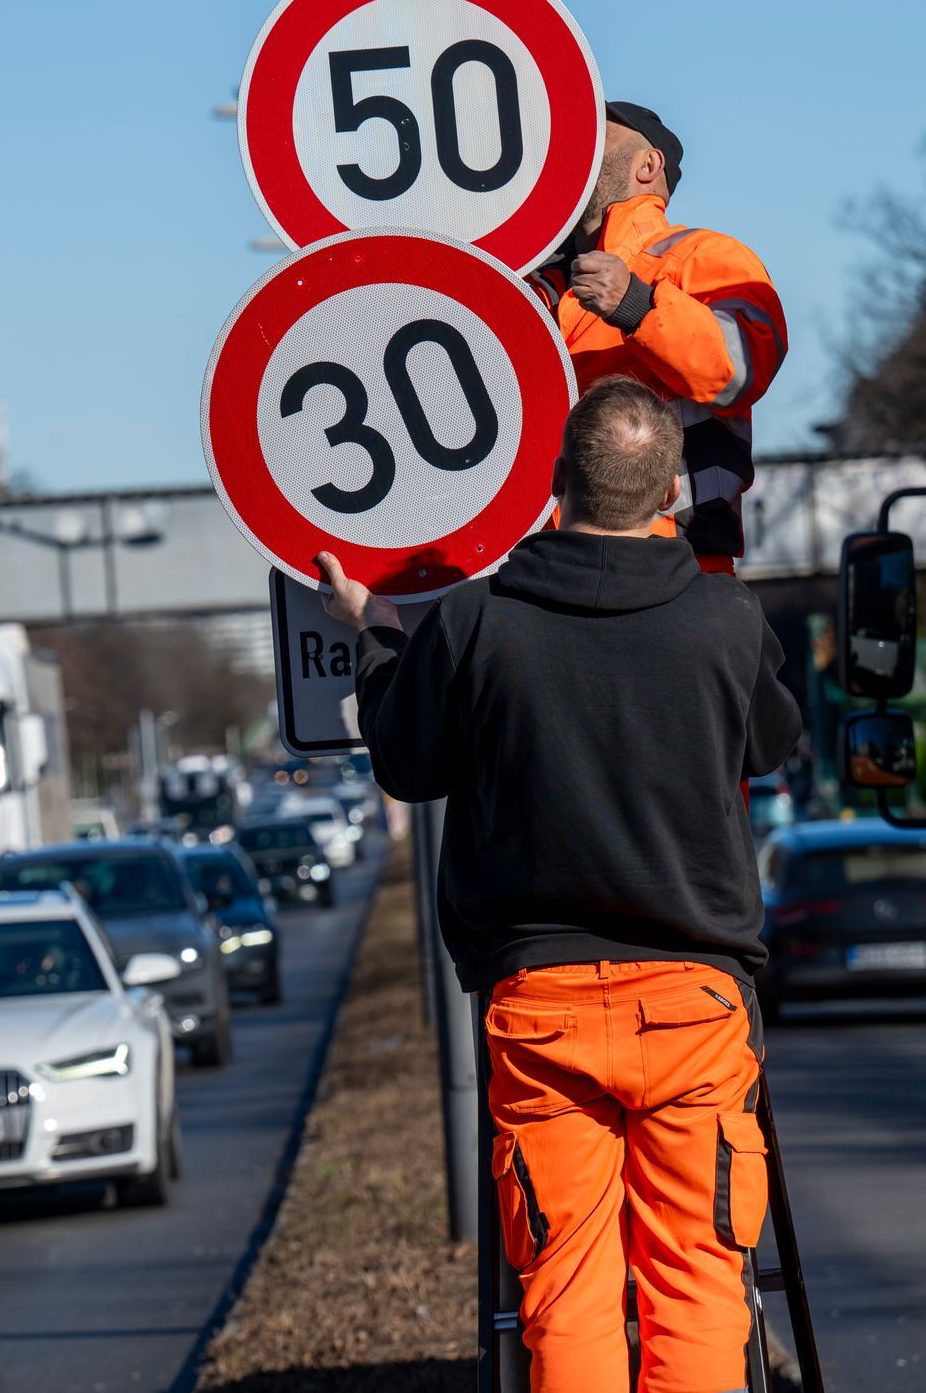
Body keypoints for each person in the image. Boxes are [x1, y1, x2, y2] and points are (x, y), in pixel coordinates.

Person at [316, 377, 802, 1393]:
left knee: (566, 1287)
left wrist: (373, 639)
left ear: (552, 484)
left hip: (539, 1005)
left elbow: (405, 763)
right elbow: (773, 740)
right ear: (669, 489)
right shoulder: (723, 618)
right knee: (698, 1279)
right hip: (692, 1003)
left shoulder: (472, 622)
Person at [531, 102, 787, 574]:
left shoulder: (704, 255)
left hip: (676, 568)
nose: (576, 146)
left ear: (648, 164)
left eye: (596, 134)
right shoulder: (534, 288)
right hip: (544, 569)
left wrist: (636, 305)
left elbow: (742, 366)